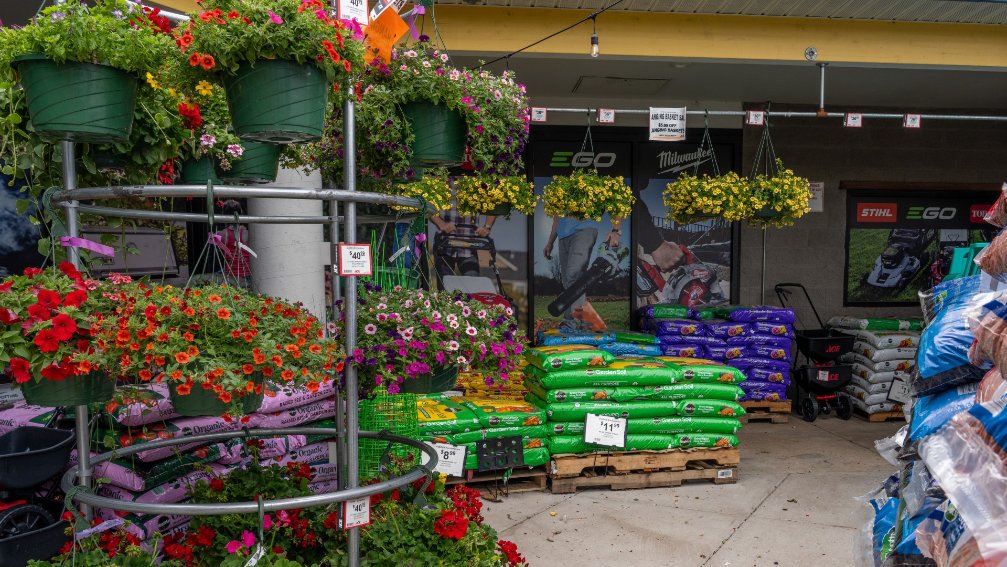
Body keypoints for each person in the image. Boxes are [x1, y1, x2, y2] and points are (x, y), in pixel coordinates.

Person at [543, 216, 621, 331]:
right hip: (563, 236)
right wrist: (550, 241)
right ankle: (584, 324)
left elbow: (617, 204)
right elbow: (556, 218)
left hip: (584, 228)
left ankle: (576, 324)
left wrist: (616, 231)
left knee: (573, 276)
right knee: (568, 283)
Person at [430, 199, 496, 278]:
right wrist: (441, 223)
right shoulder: (439, 186)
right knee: (444, 285)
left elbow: (493, 199)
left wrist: (487, 227)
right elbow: (426, 204)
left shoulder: (481, 186)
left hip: (470, 244)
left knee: (473, 283)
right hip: (444, 242)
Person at [212, 200, 252, 290]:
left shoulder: (221, 234)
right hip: (246, 275)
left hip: (229, 275)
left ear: (224, 215)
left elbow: (211, 239)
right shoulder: (246, 233)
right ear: (240, 213)